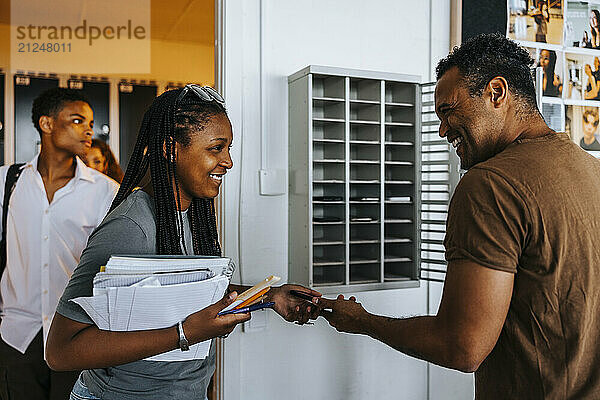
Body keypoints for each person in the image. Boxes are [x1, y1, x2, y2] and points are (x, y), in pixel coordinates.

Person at [313, 33, 600, 399]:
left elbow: (462, 347)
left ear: (496, 93)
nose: (441, 129)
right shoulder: (593, 171)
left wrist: (363, 321)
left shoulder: (490, 185)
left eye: (448, 111)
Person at [46, 85, 320, 400]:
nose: (228, 162)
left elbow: (191, 295)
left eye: (228, 148)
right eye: (216, 149)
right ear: (170, 148)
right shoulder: (130, 228)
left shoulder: (192, 214)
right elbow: (60, 351)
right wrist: (184, 333)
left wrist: (271, 297)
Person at [0, 88, 119, 399]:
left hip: (76, 334)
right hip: (17, 335)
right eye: (77, 120)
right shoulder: (6, 182)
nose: (88, 129)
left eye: (91, 122)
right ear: (47, 124)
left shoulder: (105, 192)